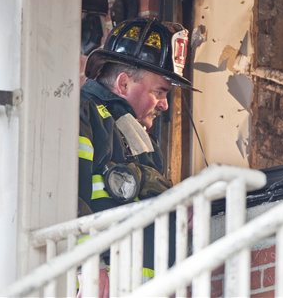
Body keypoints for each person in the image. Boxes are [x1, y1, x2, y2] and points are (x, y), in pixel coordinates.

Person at [77, 17, 196, 296]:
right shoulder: (83, 113)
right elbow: (65, 195)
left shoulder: (137, 136)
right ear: (123, 83)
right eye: (160, 92)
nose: (165, 105)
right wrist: (89, 266)